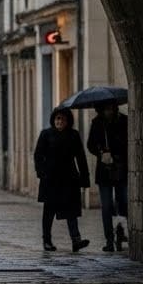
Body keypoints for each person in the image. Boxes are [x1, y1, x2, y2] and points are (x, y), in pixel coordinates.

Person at [34, 106, 91, 252]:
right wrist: (42, 173)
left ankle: (76, 240)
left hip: (69, 178)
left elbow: (81, 157)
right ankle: (47, 241)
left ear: (68, 121)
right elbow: (38, 155)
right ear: (53, 120)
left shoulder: (73, 135)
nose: (59, 121)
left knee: (71, 210)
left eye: (62, 119)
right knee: (49, 211)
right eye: (57, 118)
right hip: (50, 179)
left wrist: (84, 178)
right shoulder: (46, 135)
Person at [87, 102, 129, 252]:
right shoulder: (97, 123)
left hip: (121, 168)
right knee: (106, 206)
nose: (108, 111)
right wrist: (101, 151)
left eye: (110, 108)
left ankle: (122, 232)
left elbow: (129, 143)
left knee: (123, 201)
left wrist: (117, 150)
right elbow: (90, 144)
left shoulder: (124, 121)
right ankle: (109, 240)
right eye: (105, 109)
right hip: (104, 170)